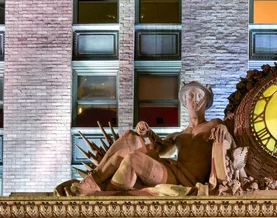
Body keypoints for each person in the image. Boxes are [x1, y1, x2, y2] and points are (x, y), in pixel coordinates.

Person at [70, 82, 232, 195]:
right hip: (171, 171)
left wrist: (224, 129)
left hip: (186, 180)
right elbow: (159, 150)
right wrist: (146, 134)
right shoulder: (179, 135)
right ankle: (94, 181)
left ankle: (106, 193)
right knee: (130, 137)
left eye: (199, 96)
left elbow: (230, 143)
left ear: (206, 102)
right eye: (191, 95)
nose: (195, 100)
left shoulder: (214, 124)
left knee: (133, 160)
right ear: (185, 101)